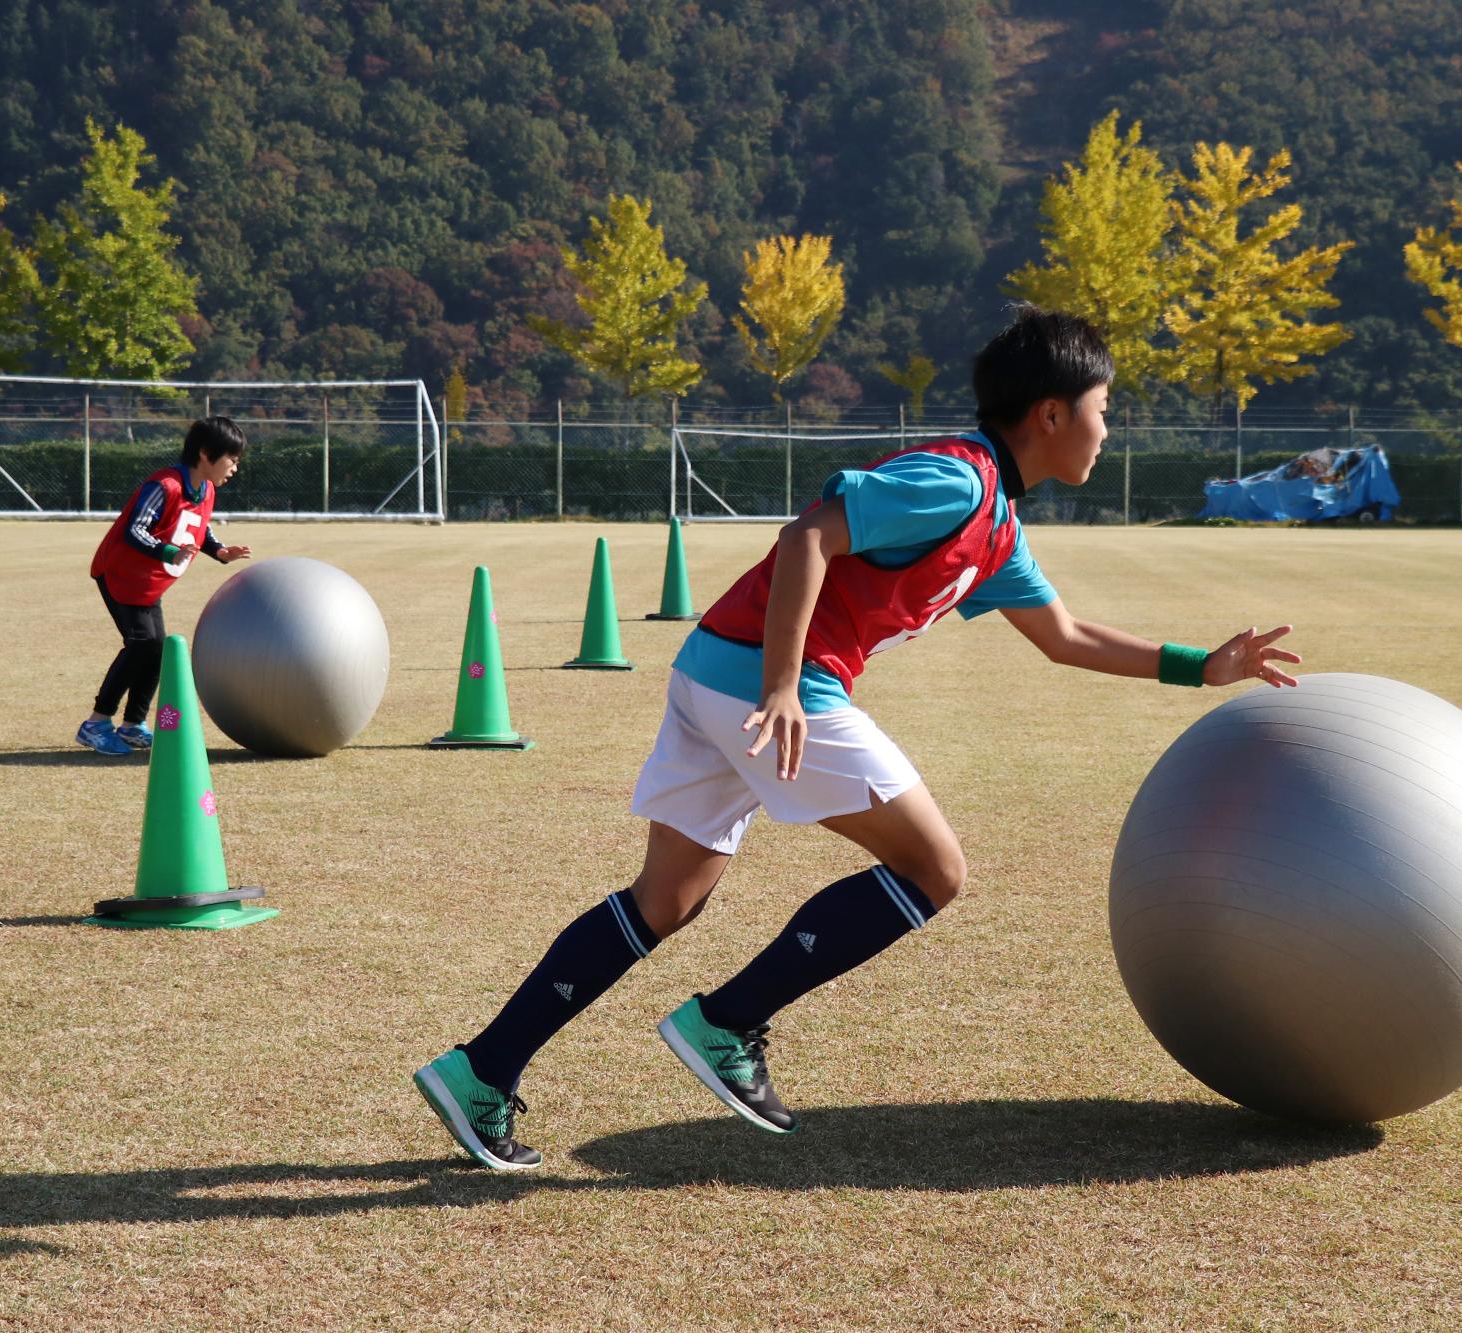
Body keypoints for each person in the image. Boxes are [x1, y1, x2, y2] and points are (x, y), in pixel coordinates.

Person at [414, 307, 1302, 1170]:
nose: (1108, 432)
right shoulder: (955, 481)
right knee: (935, 869)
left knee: (666, 898)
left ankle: (480, 1068)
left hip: (711, 672)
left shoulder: (996, 526)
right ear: (1051, 413)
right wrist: (781, 687)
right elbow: (809, 535)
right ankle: (726, 1022)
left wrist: (1201, 665)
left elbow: (1065, 636)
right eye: (1105, 411)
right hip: (771, 687)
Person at [77, 417, 252, 755]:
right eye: (231, 459)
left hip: (148, 583)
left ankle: (132, 726)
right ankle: (96, 723)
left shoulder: (206, 490)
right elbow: (136, 529)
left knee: (156, 650)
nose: (234, 467)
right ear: (205, 454)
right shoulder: (165, 485)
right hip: (120, 574)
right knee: (143, 644)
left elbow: (197, 527)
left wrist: (219, 550)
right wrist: (168, 551)